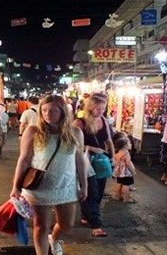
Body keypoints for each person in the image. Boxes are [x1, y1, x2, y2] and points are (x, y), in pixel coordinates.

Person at [10, 95, 88, 255]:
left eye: (53, 110)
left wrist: (84, 185)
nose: (48, 114)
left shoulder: (75, 132)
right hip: (39, 187)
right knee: (41, 225)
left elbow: (80, 160)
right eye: (44, 110)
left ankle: (55, 238)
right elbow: (23, 160)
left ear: (63, 112)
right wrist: (15, 186)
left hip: (66, 185)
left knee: (67, 224)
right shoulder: (33, 131)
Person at [73, 93, 114, 237]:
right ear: (90, 108)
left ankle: (86, 216)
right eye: (98, 109)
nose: (101, 112)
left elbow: (109, 140)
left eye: (103, 109)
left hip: (101, 161)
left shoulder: (103, 120)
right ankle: (96, 226)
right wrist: (90, 148)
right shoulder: (80, 122)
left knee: (99, 192)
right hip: (85, 162)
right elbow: (73, 145)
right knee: (91, 192)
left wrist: (112, 157)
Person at [112, 137, 136, 202]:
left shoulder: (116, 154)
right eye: (129, 143)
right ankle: (126, 198)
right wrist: (133, 171)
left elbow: (115, 163)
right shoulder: (126, 153)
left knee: (120, 183)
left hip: (119, 172)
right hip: (126, 173)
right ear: (125, 146)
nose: (131, 144)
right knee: (126, 185)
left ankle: (117, 195)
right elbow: (128, 163)